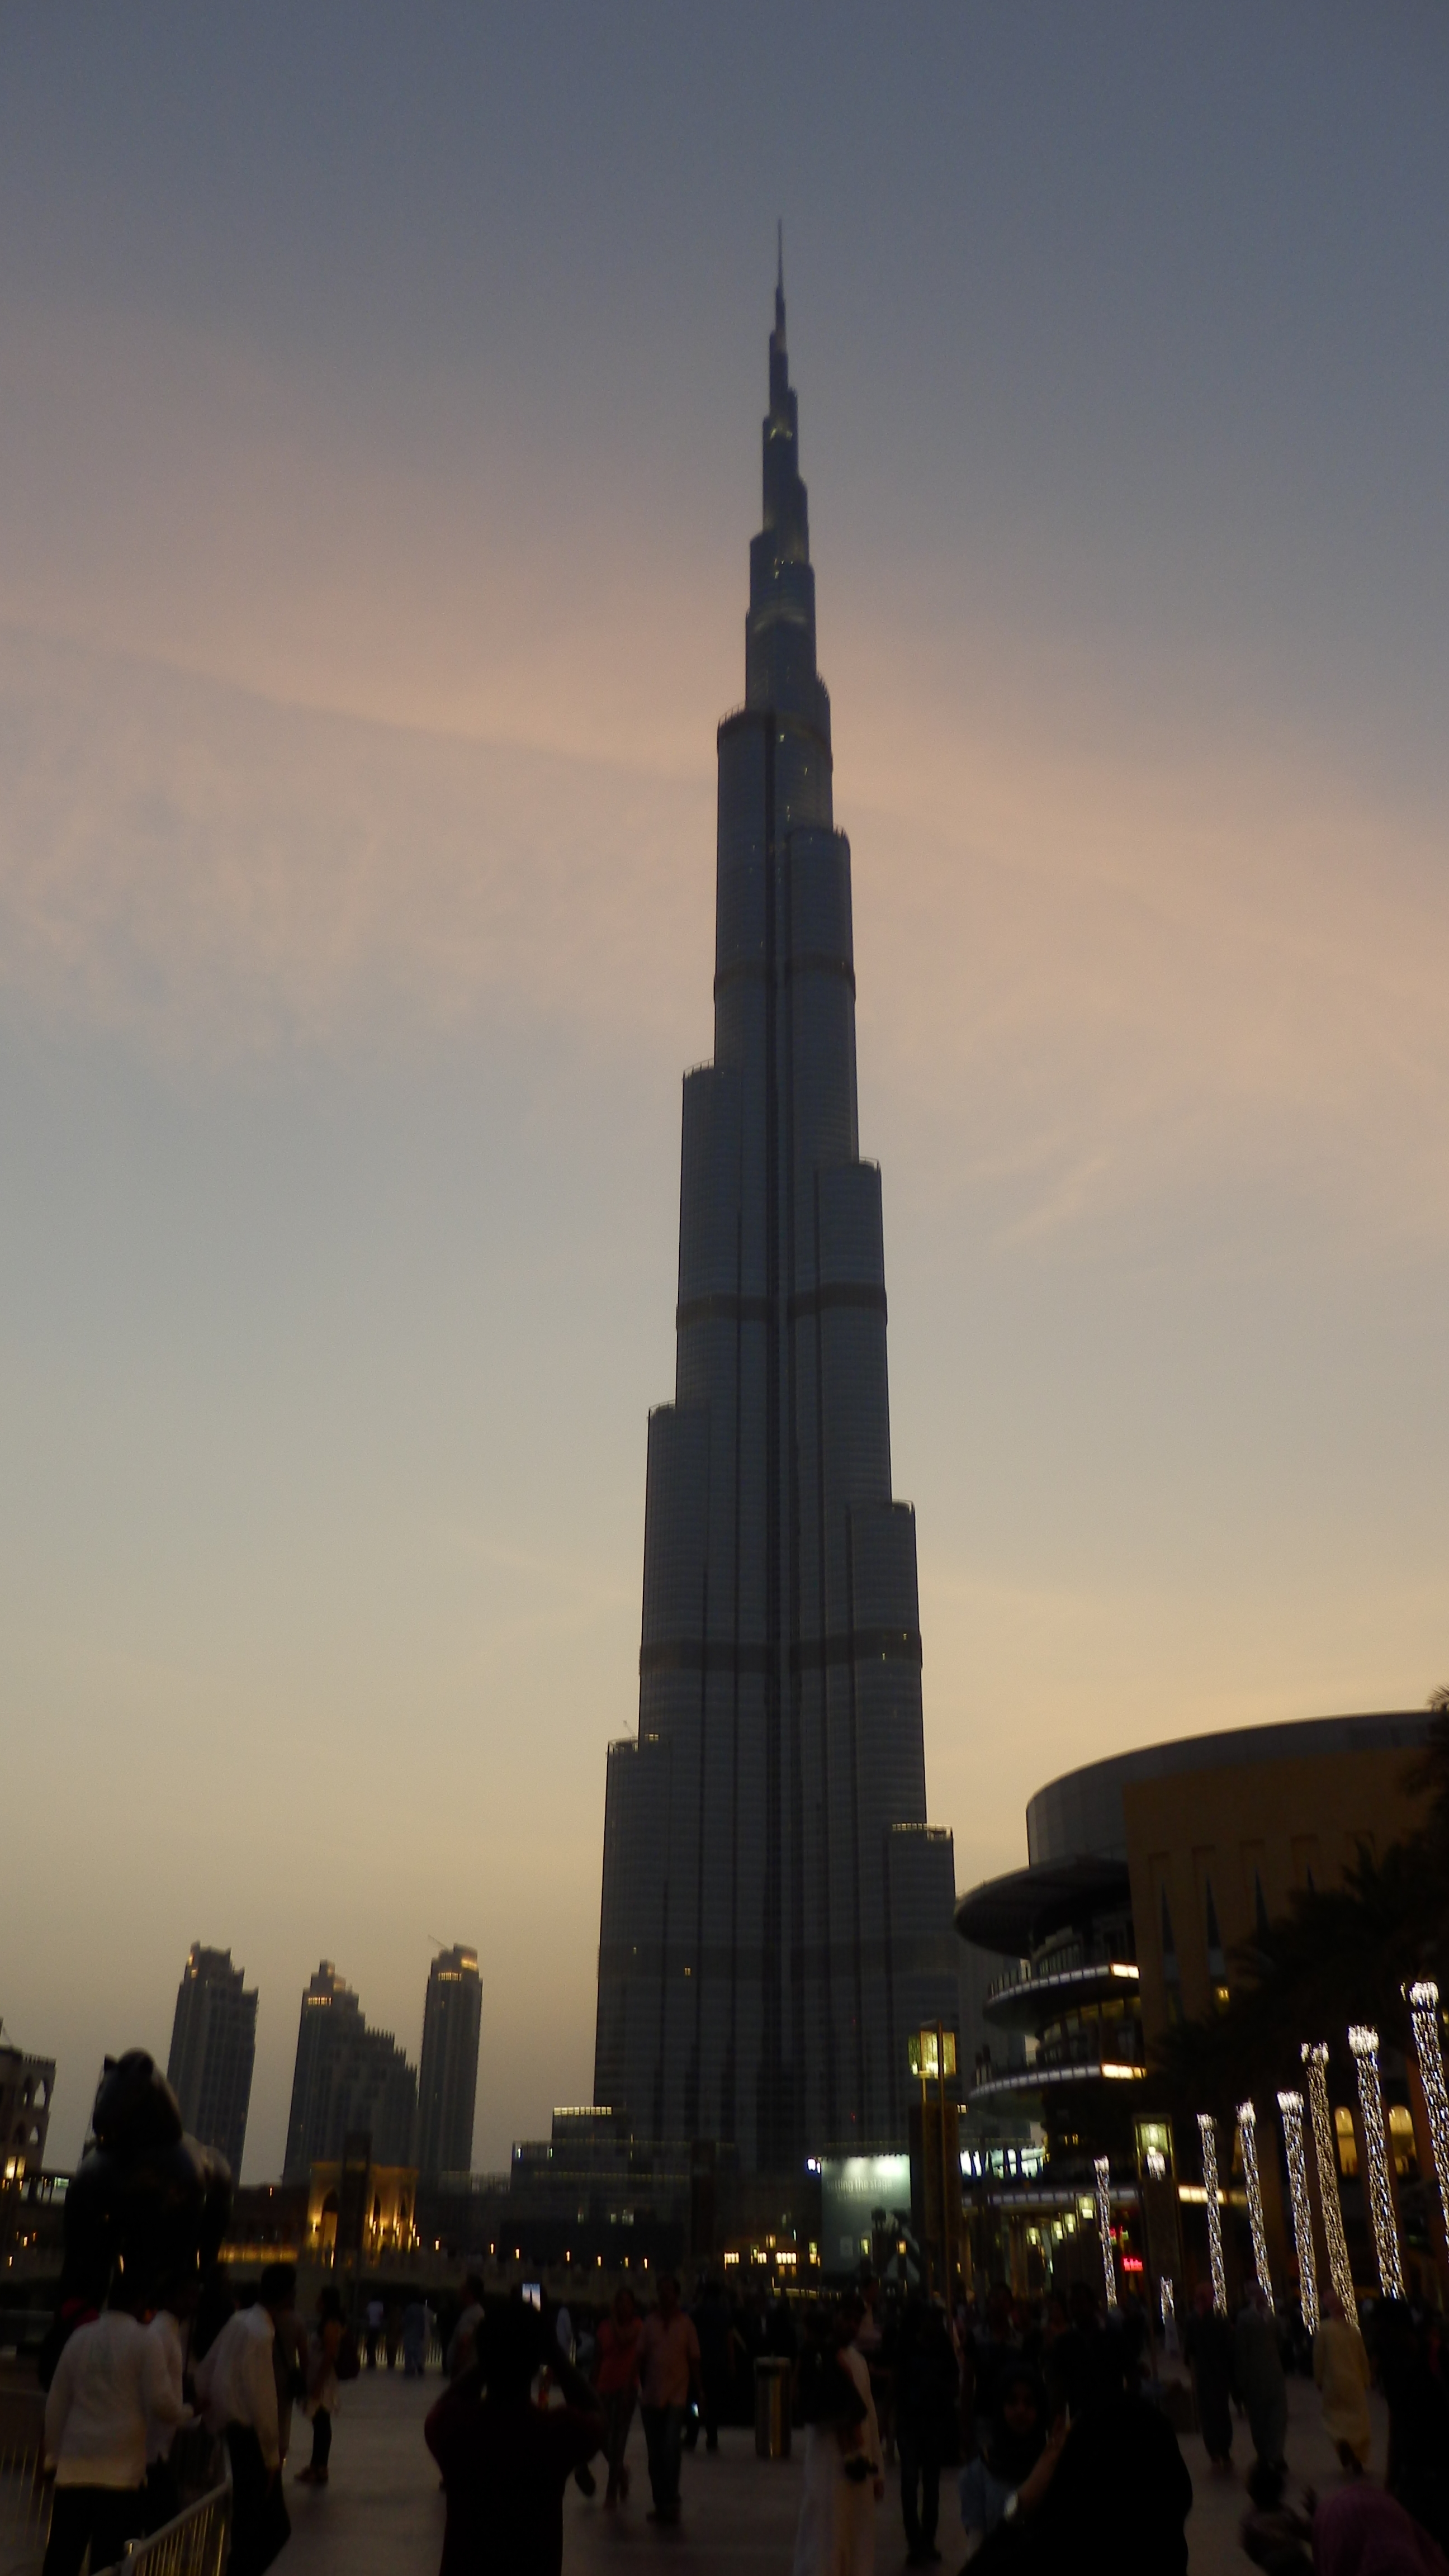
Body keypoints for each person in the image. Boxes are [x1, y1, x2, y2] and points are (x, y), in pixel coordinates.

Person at [425, 2294, 605, 2576]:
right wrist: (555, 2354)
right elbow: (597, 2415)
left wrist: (488, 2358)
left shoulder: (456, 2429)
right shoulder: (554, 2433)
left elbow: (443, 2407)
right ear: (535, 2364)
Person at [43, 2276, 191, 2576]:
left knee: (62, 2556)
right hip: (121, 2471)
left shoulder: (81, 2337)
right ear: (140, 2302)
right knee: (109, 2560)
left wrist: (54, 2455)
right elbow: (161, 2403)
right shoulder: (145, 2341)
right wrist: (187, 2412)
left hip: (75, 2465)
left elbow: (57, 2402)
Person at [195, 2268, 293, 2576]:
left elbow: (207, 2369)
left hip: (233, 2431)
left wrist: (208, 2411)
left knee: (247, 2522)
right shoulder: (261, 2334)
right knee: (268, 2525)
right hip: (251, 2438)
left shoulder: (239, 2321)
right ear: (288, 2296)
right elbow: (262, 2399)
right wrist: (272, 2455)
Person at [793, 2299, 883, 2576]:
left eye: (857, 2321)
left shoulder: (858, 2362)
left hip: (858, 2466)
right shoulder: (817, 2358)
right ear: (834, 2317)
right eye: (847, 2318)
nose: (851, 2326)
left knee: (856, 2535)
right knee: (823, 2536)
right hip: (825, 2463)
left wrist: (877, 2469)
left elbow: (869, 2416)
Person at [958, 2361, 1046, 2559]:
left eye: (1029, 2402)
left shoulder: (1053, 2469)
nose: (1020, 2410)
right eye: (1012, 2401)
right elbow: (976, 2547)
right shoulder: (978, 2474)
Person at [895, 2300, 959, 2566]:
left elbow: (954, 2382)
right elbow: (898, 2384)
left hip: (931, 2422)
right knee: (913, 2483)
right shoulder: (909, 2347)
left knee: (928, 2485)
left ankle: (926, 2541)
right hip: (913, 2422)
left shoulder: (940, 2347)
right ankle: (917, 2542)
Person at [637, 2271, 703, 2527]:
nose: (665, 2295)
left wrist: (700, 2391)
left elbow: (694, 2360)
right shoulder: (650, 2324)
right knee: (655, 2454)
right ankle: (660, 2502)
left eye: (669, 2291)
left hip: (677, 2395)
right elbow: (640, 2358)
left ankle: (672, 2501)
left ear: (677, 2295)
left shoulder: (686, 2325)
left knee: (671, 2448)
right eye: (661, 2290)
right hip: (651, 2397)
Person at [594, 2283, 642, 2508]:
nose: (623, 2307)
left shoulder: (637, 2326)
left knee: (619, 2438)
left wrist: (613, 2319)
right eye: (619, 2302)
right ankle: (621, 2472)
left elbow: (623, 2339)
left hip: (626, 2388)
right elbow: (598, 2357)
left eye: (627, 2303)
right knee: (602, 2436)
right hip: (604, 2387)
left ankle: (611, 2489)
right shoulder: (603, 2327)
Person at [1314, 2290, 1372, 2473]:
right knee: (1358, 2421)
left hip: (1333, 2382)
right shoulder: (1354, 2332)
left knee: (1334, 2418)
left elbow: (1319, 2358)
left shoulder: (1324, 2330)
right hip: (1354, 2382)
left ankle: (1342, 2442)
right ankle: (1357, 2455)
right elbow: (1362, 2357)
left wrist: (1319, 2379)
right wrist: (1366, 2379)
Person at [1235, 2285, 1289, 2482]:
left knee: (1278, 2416)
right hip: (1255, 2375)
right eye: (1257, 2295)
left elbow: (1281, 2340)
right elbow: (1241, 2348)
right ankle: (1264, 2454)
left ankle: (1276, 2453)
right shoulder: (1244, 2319)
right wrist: (1242, 2377)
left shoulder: (1272, 2318)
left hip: (1274, 2374)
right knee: (1258, 2418)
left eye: (1262, 2295)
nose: (1261, 2298)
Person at [1185, 2280, 1235, 2468]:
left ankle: (1221, 2450)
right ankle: (1217, 2451)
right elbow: (1190, 2349)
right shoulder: (1198, 2322)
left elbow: (1228, 2349)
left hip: (1214, 2375)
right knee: (1212, 2414)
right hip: (1209, 2375)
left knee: (1217, 2413)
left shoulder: (1215, 2321)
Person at [297, 2286, 343, 2487]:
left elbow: (330, 2354)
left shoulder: (331, 2325)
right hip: (319, 2377)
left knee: (322, 2422)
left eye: (320, 2299)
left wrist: (318, 2383)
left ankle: (320, 2467)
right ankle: (316, 2465)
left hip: (323, 2380)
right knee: (320, 2422)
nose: (316, 2303)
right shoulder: (327, 2323)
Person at [446, 2275, 486, 2379]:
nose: (458, 2292)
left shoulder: (471, 2315)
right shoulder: (477, 2312)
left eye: (462, 2288)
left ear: (468, 2292)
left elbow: (464, 2342)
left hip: (464, 2373)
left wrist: (456, 2369)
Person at [402, 2296, 430, 2377]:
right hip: (417, 2333)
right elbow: (422, 2322)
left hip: (409, 2332)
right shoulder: (420, 2310)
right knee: (416, 2351)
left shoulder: (409, 2308)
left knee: (408, 2352)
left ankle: (408, 2368)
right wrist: (422, 2333)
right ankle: (418, 2363)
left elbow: (406, 2321)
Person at [364, 2296, 385, 2370]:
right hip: (377, 2326)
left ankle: (370, 2360)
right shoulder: (380, 2305)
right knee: (373, 2343)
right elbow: (381, 2315)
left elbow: (367, 2314)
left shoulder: (370, 2305)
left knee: (369, 2343)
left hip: (370, 2325)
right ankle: (372, 2361)